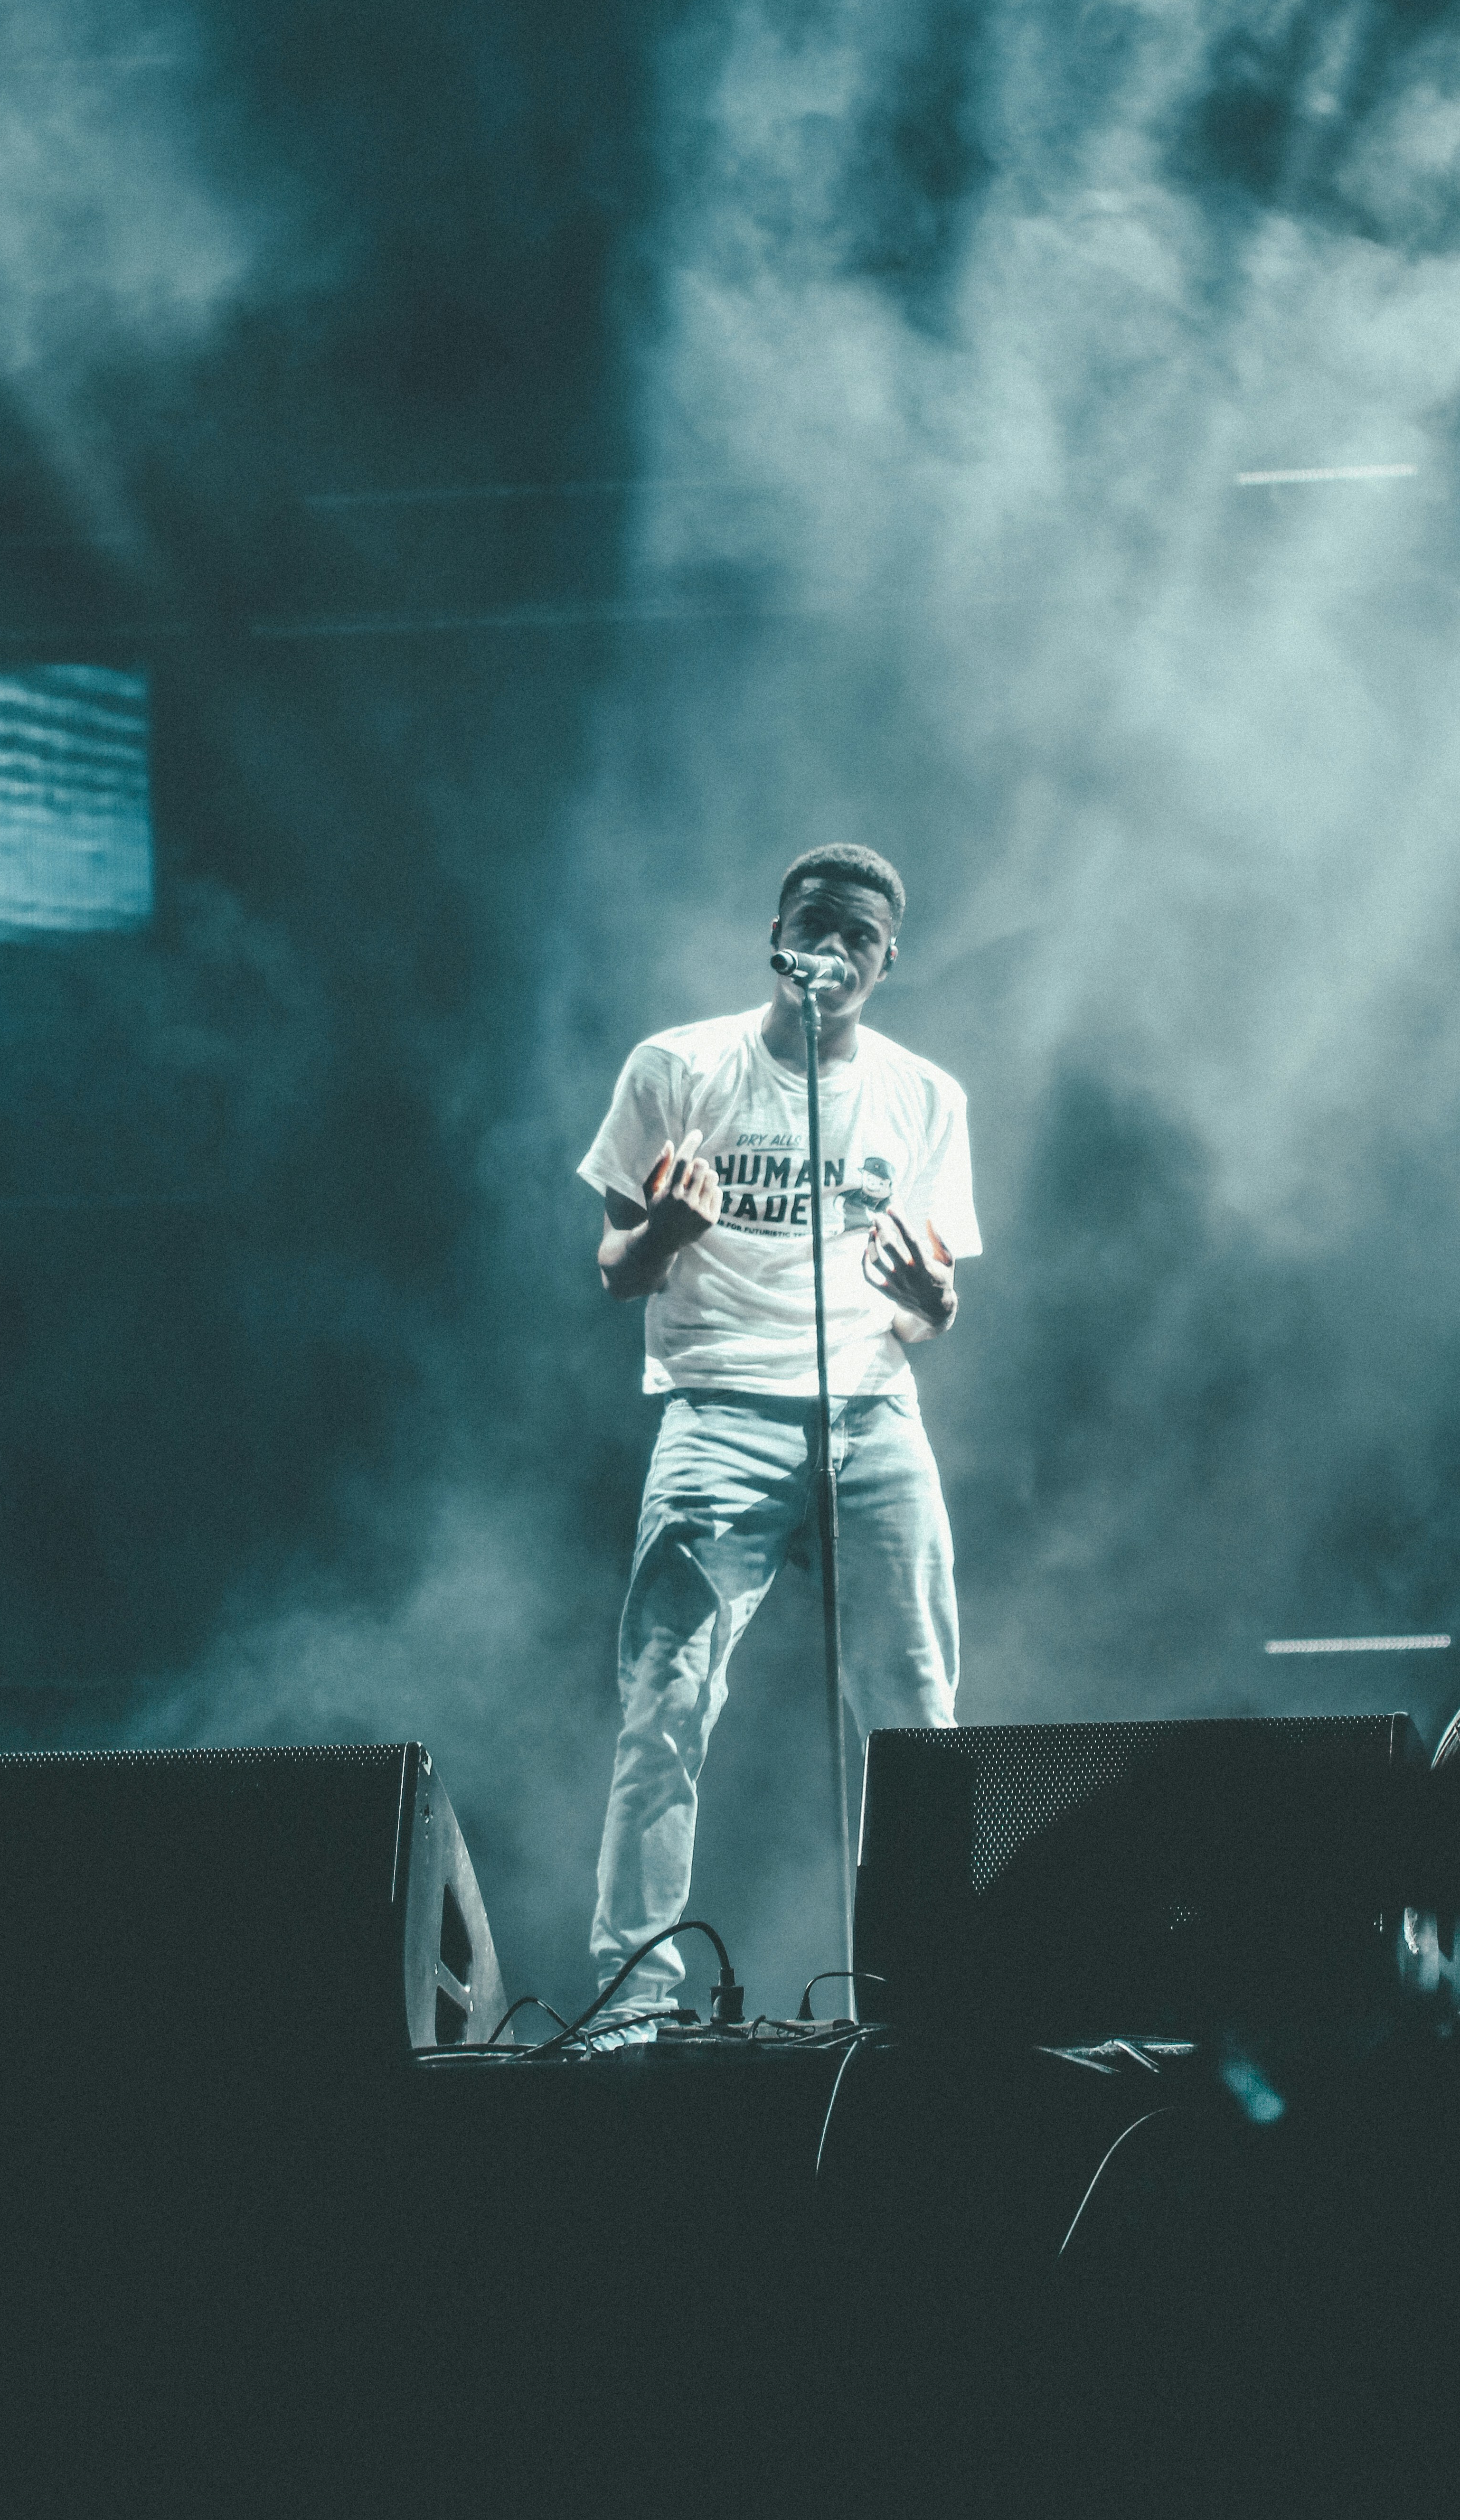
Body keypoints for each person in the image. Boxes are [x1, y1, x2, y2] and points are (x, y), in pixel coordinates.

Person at [577, 842, 980, 2030]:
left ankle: (930, 1989)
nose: (834, 950)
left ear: (886, 959)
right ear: (775, 934)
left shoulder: (924, 1097)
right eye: (816, 924)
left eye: (859, 936)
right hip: (716, 1415)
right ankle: (631, 2001)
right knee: (665, 1699)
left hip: (871, 1410)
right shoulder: (676, 1066)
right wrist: (659, 1236)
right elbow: (613, 1270)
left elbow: (931, 1303)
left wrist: (938, 1304)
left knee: (913, 1715)